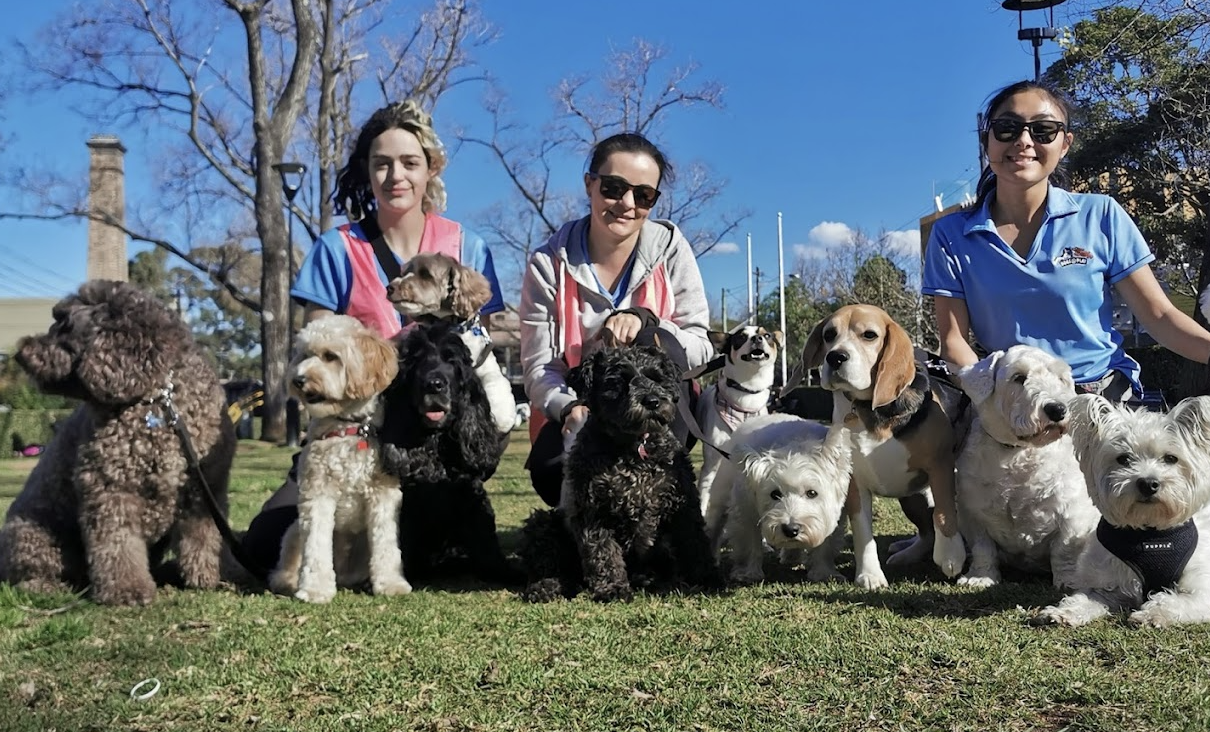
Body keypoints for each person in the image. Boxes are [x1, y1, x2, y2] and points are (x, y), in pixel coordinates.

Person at [240, 100, 505, 573]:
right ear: (367, 170)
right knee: (265, 545)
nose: (395, 175)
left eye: (410, 163)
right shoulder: (336, 249)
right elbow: (317, 357)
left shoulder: (468, 247)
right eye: (382, 163)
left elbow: (484, 348)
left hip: (437, 437)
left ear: (431, 168)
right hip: (358, 432)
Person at [923, 79, 1210, 401]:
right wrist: (996, 406)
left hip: (1100, 401)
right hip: (1011, 403)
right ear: (986, 141)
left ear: (1065, 144)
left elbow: (1160, 317)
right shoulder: (951, 235)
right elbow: (954, 342)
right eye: (1007, 128)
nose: (1023, 141)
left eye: (1043, 130)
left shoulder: (1101, 215)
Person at [519, 132, 713, 507]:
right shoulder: (547, 264)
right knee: (549, 469)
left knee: (650, 347)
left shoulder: (671, 249)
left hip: (661, 406)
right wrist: (567, 407)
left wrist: (649, 322)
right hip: (587, 403)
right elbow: (540, 366)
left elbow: (701, 348)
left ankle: (662, 507)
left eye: (644, 195)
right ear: (589, 184)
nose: (627, 204)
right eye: (613, 188)